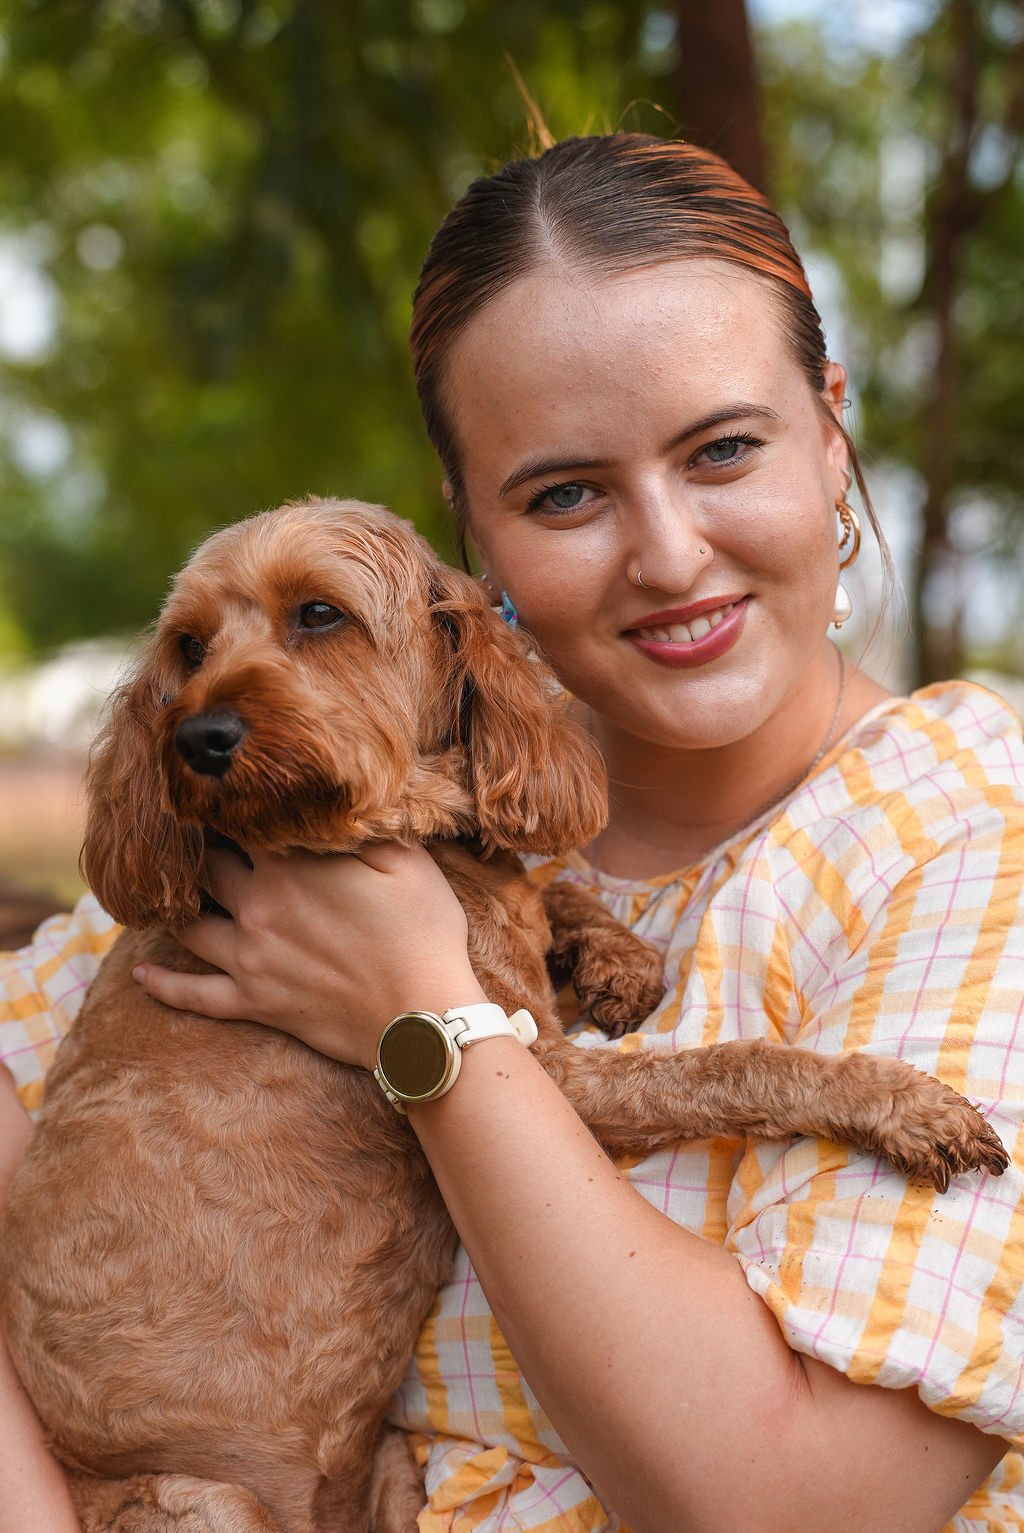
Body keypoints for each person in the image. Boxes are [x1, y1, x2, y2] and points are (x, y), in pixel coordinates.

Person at [2, 133, 1023, 1532]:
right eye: (565, 493)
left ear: (832, 426)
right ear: (468, 537)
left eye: (722, 448)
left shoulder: (966, 840)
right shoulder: (341, 829)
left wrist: (417, 1015)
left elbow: (801, 1506)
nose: (667, 553)